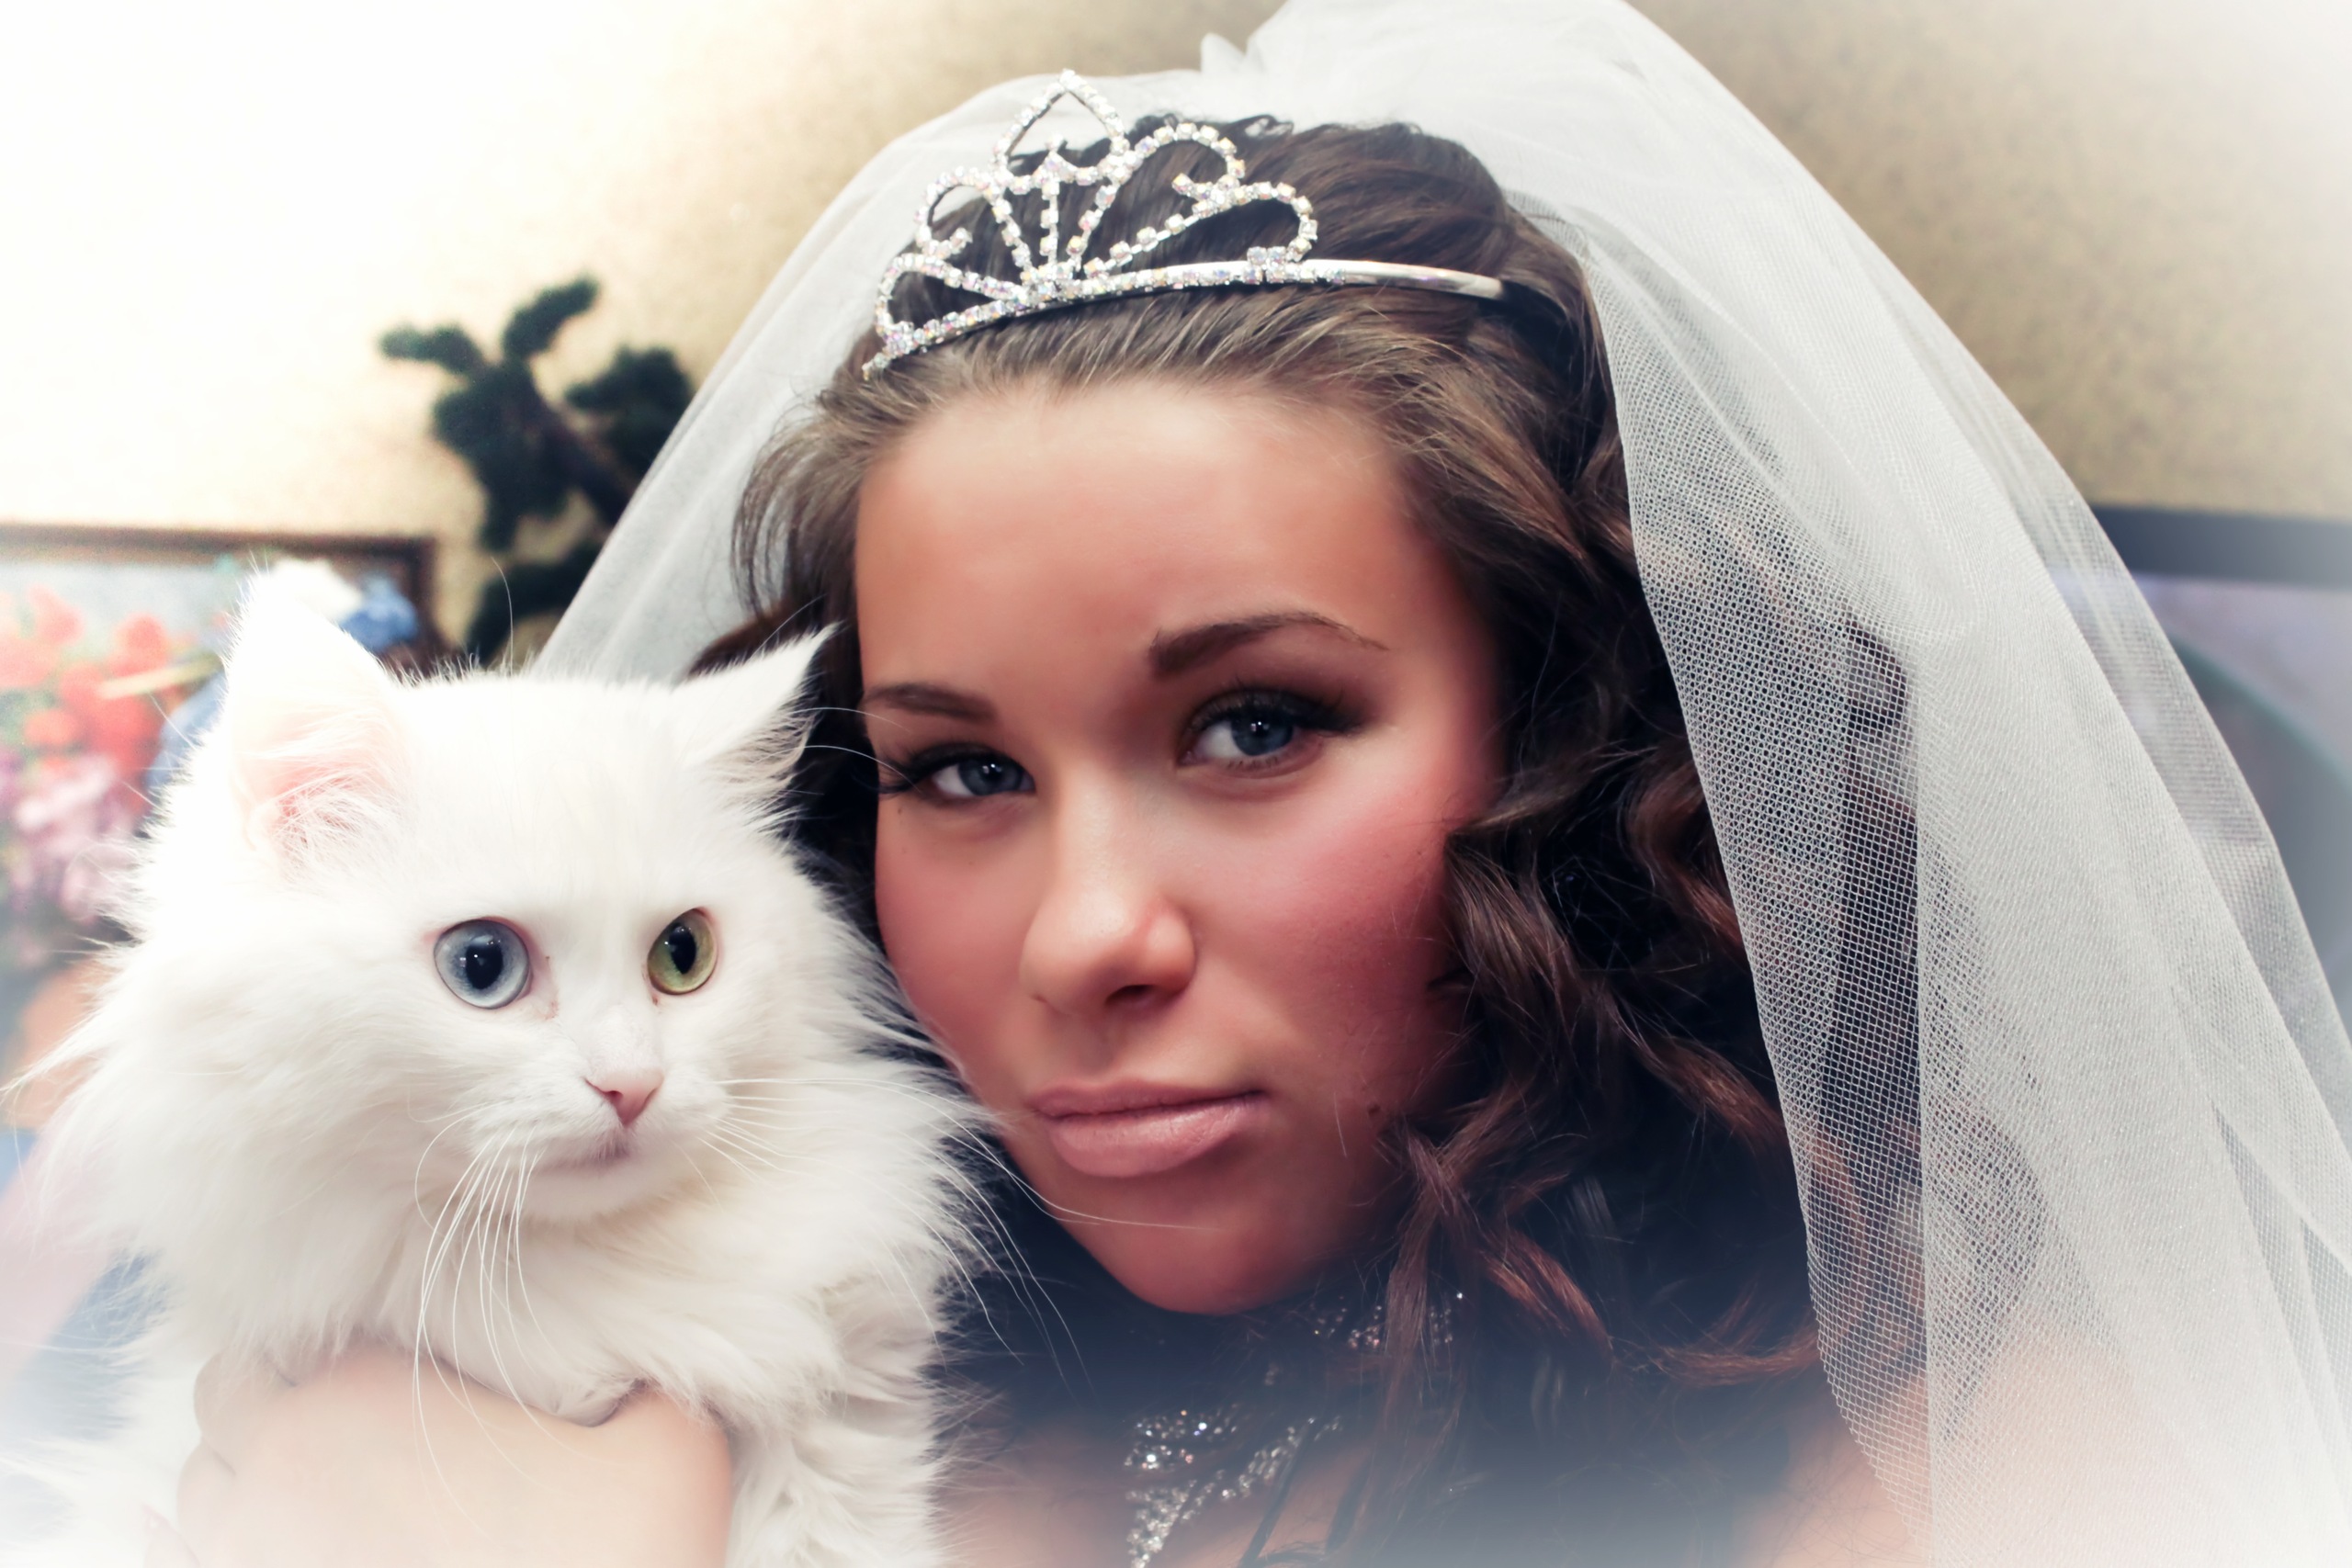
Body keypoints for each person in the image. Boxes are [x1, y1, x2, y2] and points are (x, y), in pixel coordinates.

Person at [148, 1, 2352, 1564]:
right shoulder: (686, 1371)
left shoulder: (1994, 1483)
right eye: (958, 765)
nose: (1085, 935)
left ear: (1568, 733)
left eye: (1254, 726)